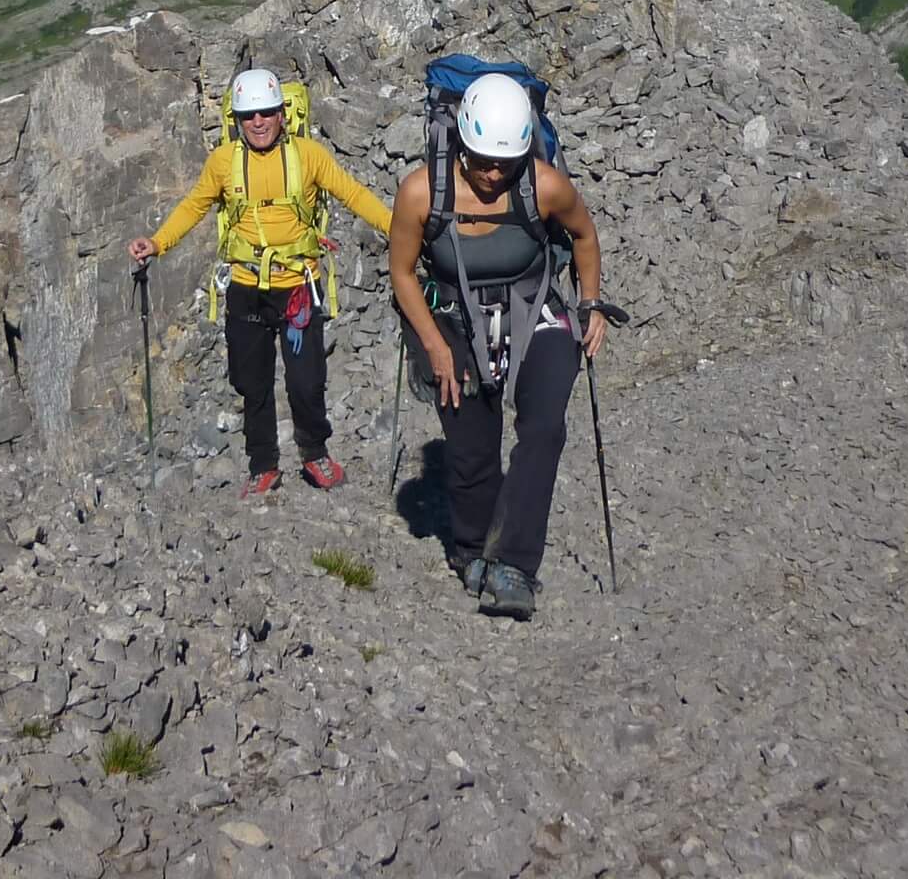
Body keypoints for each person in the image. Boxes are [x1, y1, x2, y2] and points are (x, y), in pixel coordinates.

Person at [387, 69, 608, 620]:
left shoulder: (544, 185)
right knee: (471, 446)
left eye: (504, 164)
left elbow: (583, 234)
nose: (491, 174)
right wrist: (435, 346)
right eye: (482, 160)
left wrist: (591, 302)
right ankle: (470, 549)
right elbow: (403, 273)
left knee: (544, 427)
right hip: (453, 321)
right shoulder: (421, 192)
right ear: (460, 141)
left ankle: (513, 564)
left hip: (536, 310)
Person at [130, 68, 392, 497]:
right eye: (249, 115)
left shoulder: (309, 156)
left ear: (282, 115)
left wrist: (396, 226)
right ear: (236, 120)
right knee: (251, 382)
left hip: (297, 285)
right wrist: (157, 243)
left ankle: (314, 452)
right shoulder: (223, 163)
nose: (258, 122)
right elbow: (194, 206)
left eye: (266, 113)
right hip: (246, 285)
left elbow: (353, 193)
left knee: (306, 381)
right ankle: (263, 463)